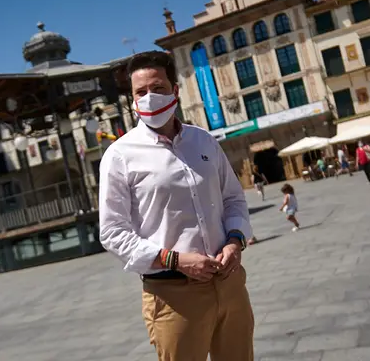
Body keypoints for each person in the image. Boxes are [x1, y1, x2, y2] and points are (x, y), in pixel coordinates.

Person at [99, 51, 254, 361]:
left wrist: (235, 241)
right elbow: (112, 232)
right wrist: (174, 259)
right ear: (132, 99)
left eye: (157, 88)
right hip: (173, 296)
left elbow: (233, 199)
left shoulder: (204, 141)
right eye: (140, 92)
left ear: (175, 91)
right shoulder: (119, 156)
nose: (149, 98)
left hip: (229, 283)